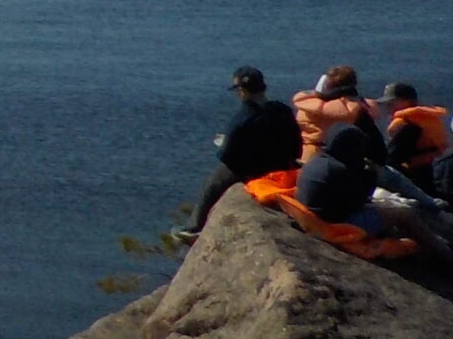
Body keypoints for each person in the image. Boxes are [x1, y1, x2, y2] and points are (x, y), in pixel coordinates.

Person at [294, 125, 453, 270]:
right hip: (340, 222)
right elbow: (359, 200)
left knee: (391, 201)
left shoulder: (318, 160)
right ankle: (445, 255)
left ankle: (430, 240)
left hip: (321, 214)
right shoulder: (340, 170)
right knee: (404, 211)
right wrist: (370, 177)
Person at [188, 65, 304, 234]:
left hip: (251, 171)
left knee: (212, 184)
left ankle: (194, 226)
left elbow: (226, 155)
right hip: (282, 167)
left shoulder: (243, 118)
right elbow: (296, 147)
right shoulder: (282, 111)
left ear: (242, 91)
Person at [294, 67, 385, 161]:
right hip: (342, 161)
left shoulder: (305, 107)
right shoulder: (356, 112)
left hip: (308, 158)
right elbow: (378, 149)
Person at [379, 83, 451, 194]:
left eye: (392, 102)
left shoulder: (408, 125)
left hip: (418, 179)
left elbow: (392, 159)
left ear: (407, 101)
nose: (388, 106)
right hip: (434, 171)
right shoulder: (428, 118)